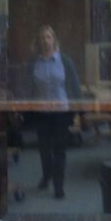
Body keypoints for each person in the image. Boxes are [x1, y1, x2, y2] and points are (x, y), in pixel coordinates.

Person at [31, 25, 80, 199]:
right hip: (41, 113)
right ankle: (46, 176)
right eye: (42, 38)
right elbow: (29, 89)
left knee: (59, 150)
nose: (45, 41)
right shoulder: (33, 63)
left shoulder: (65, 61)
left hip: (61, 112)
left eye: (48, 37)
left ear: (54, 40)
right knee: (44, 150)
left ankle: (59, 186)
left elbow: (75, 87)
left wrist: (79, 112)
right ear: (38, 42)